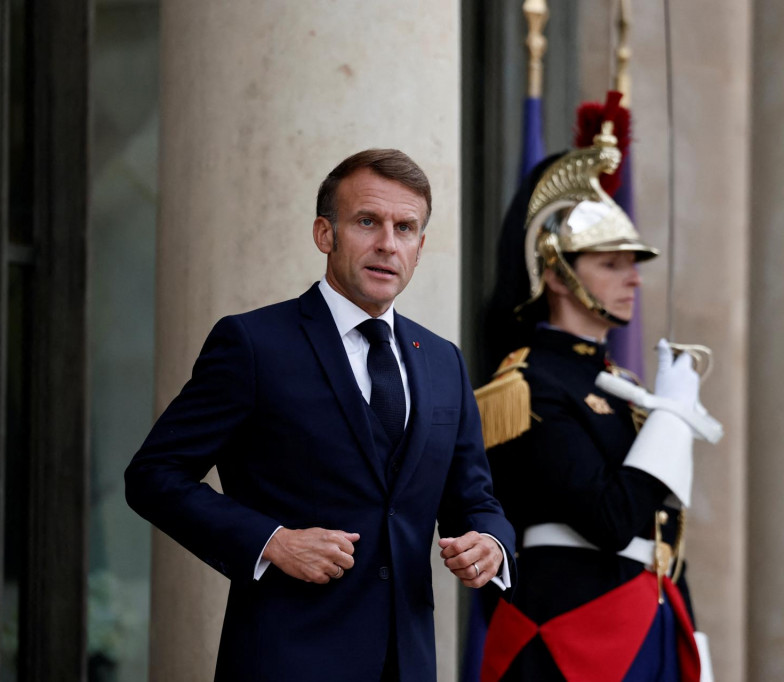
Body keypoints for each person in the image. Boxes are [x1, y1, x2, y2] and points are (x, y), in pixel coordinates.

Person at [125, 148, 516, 682]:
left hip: (408, 664)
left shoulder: (444, 359)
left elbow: (475, 500)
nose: (387, 243)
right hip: (285, 659)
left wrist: (489, 542)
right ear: (324, 235)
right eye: (366, 222)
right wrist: (273, 542)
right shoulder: (254, 344)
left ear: (420, 248)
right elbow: (152, 476)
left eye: (405, 228)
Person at [475, 119, 714, 682]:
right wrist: (672, 420)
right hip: (571, 634)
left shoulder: (616, 384)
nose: (633, 279)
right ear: (557, 275)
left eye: (631, 263)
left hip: (646, 618)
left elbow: (661, 534)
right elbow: (611, 519)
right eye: (610, 264)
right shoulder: (528, 384)